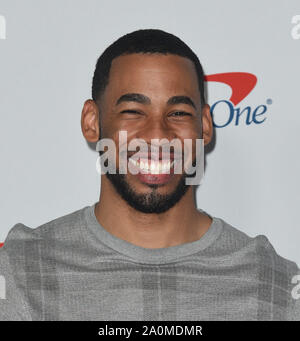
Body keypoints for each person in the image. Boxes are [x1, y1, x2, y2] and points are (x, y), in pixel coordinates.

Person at [0, 29, 299, 321]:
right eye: (132, 111)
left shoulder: (276, 287)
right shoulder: (21, 274)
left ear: (205, 126)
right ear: (92, 121)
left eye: (179, 113)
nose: (157, 135)